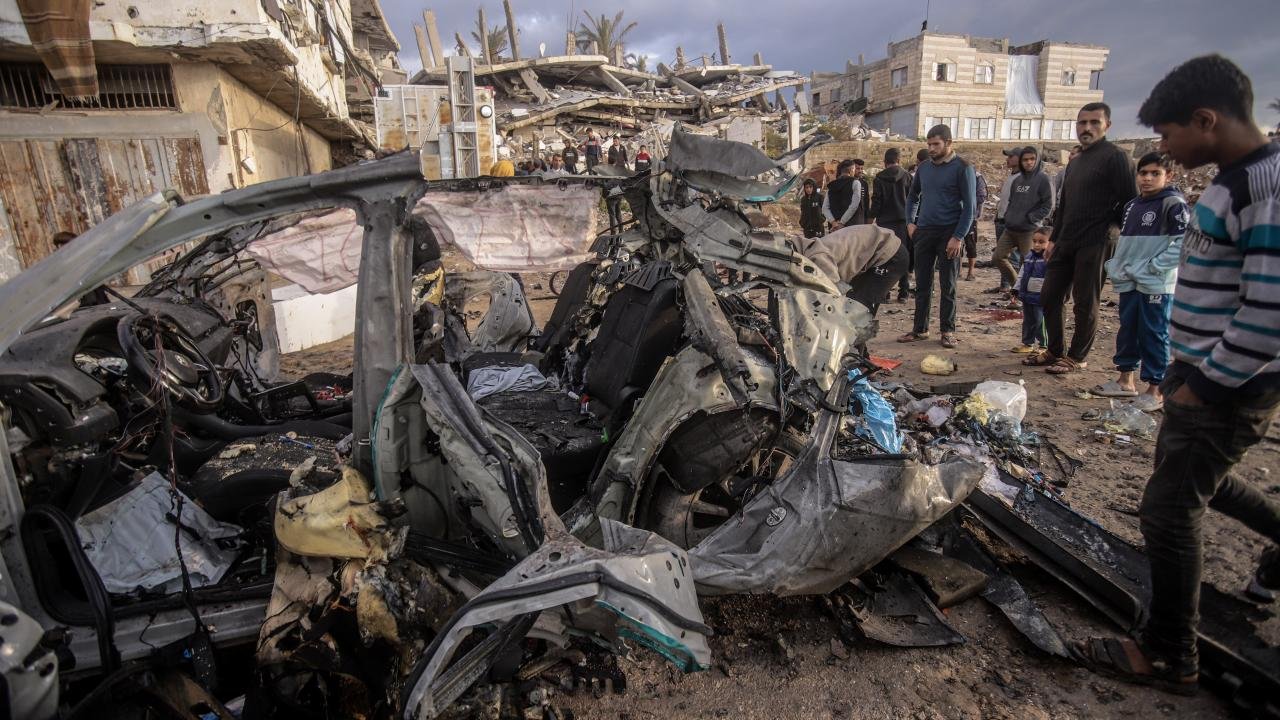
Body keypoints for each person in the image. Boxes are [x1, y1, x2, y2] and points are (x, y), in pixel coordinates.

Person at [1074, 54, 1280, 698]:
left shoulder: (1265, 188)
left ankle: (1170, 653)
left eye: (1168, 134)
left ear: (1206, 119)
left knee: (1167, 512)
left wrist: (1204, 384)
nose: (1162, 148)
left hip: (1230, 383)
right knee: (1200, 481)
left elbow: (1270, 312)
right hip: (1204, 371)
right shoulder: (1232, 182)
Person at [1023, 102, 1136, 375]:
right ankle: (1055, 350)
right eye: (1082, 122)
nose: (1087, 128)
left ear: (1107, 125)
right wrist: (1054, 238)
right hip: (1066, 240)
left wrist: (1113, 231)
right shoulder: (1076, 162)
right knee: (1049, 295)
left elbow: (1130, 203)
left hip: (1096, 240)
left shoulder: (1116, 158)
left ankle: (1077, 356)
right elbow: (1064, 205)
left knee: (1085, 301)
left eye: (1094, 122)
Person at [1090, 153, 1187, 410]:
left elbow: (1183, 244)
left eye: (1155, 173)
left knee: (1154, 332)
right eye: (1143, 173)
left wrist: (1154, 267)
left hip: (1156, 283)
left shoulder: (1173, 204)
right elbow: (1127, 242)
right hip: (1131, 279)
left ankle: (1157, 389)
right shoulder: (1133, 205)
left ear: (1169, 176)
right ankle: (1125, 380)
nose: (1147, 178)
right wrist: (1118, 267)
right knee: (1128, 328)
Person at [897, 124, 977, 349]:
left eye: (936, 144)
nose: (931, 148)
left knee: (948, 284)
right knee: (922, 283)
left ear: (948, 143)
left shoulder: (963, 168)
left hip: (949, 233)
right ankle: (920, 329)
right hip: (924, 232)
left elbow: (970, 208)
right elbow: (913, 196)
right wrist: (910, 222)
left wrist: (958, 236)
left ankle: (947, 330)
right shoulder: (924, 168)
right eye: (929, 144)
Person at [793, 223, 907, 318]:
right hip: (873, 253)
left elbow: (834, 292)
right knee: (851, 304)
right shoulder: (808, 249)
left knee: (857, 309)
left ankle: (857, 338)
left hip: (890, 254)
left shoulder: (817, 257)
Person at [992, 146, 1054, 292]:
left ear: (1037, 160)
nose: (1029, 162)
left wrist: (1031, 218)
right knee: (998, 257)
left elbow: (1048, 205)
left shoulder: (1043, 179)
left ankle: (1029, 293)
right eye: (1025, 159)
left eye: (1032, 159)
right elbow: (1011, 201)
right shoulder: (1017, 180)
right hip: (1011, 228)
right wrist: (1009, 216)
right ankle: (1017, 287)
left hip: (1029, 230)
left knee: (1028, 264)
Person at [871, 148, 913, 302]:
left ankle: (885, 292)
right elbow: (913, 200)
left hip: (884, 224)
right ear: (899, 161)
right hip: (903, 223)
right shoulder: (907, 177)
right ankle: (903, 292)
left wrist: (871, 219)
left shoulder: (879, 178)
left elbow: (876, 201)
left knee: (884, 257)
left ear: (885, 162)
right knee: (903, 256)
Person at [1010, 227, 1051, 353]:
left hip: (1040, 297)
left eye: (1041, 242)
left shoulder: (1049, 259)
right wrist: (1016, 289)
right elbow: (1022, 274)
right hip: (1027, 295)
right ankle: (1028, 343)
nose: (1037, 244)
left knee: (1040, 321)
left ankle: (1044, 346)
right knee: (1028, 321)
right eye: (1034, 241)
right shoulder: (1028, 256)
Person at [962, 167, 988, 281]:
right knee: (956, 243)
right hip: (955, 215)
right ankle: (957, 271)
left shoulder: (977, 177)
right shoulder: (956, 174)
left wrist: (966, 202)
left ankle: (970, 273)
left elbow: (981, 196)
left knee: (970, 244)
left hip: (970, 216)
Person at [822, 160, 863, 231]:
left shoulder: (832, 185)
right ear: (851, 170)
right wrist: (841, 223)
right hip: (851, 226)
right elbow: (854, 206)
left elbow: (825, 208)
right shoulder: (855, 183)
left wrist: (833, 222)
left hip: (834, 228)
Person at [849, 159, 870, 225]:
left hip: (861, 216)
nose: (860, 171)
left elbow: (866, 201)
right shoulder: (848, 182)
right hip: (850, 217)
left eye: (861, 168)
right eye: (858, 168)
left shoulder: (864, 183)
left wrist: (867, 218)